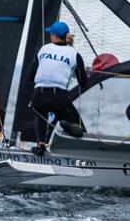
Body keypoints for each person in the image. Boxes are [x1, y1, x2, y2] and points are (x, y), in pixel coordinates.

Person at [27, 22, 88, 155]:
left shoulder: (43, 49)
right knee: (80, 129)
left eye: (51, 33)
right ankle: (65, 124)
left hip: (38, 95)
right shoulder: (74, 54)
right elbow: (83, 82)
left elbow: (31, 77)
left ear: (55, 35)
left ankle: (40, 145)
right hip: (59, 98)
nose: (49, 35)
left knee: (40, 114)